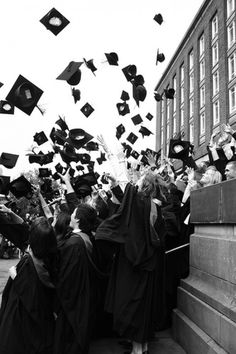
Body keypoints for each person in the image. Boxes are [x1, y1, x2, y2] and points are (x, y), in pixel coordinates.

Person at [96, 171, 167, 354]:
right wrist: (113, 185)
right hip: (149, 264)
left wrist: (116, 182)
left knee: (134, 308)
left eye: (139, 181)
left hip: (137, 266)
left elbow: (129, 204)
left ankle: (137, 350)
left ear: (145, 186)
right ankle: (142, 348)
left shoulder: (142, 204)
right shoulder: (154, 207)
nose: (136, 184)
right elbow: (129, 205)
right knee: (143, 308)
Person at [0, 216, 58, 354]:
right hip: (43, 321)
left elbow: (30, 298)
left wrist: (16, 277)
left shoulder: (29, 262)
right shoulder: (50, 257)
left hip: (22, 322)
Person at [53, 203, 100, 354]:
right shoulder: (83, 237)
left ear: (78, 219)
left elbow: (68, 276)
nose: (71, 215)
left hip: (72, 299)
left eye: (73, 213)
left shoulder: (76, 242)